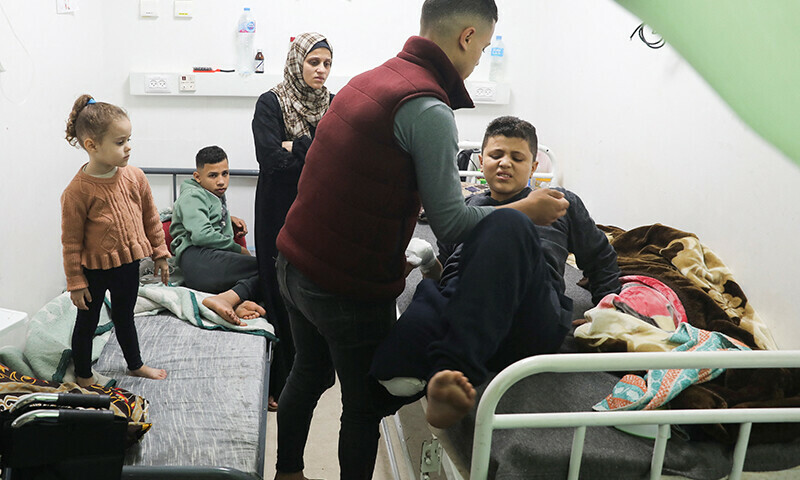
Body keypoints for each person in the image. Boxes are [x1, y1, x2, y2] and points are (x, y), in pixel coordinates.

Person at [272, 2, 569, 479]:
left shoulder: (369, 80)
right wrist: (525, 210)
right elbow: (451, 225)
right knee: (365, 406)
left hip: (295, 261)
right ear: (467, 37)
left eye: (519, 157)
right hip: (342, 285)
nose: (478, 61)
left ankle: (287, 472)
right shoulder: (428, 108)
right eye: (485, 47)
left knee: (307, 372)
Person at [370, 116, 622, 428]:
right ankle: (439, 381)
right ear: (480, 161)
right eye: (496, 155)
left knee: (507, 222)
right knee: (401, 344)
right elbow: (447, 270)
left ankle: (453, 364)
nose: (505, 164)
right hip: (467, 303)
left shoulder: (560, 201)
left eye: (517, 158)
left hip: (529, 315)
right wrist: (426, 264)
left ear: (533, 168)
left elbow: (601, 259)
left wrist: (607, 310)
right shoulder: (462, 211)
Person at [62, 94, 169, 388]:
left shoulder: (135, 177)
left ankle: (135, 365)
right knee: (86, 323)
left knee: (125, 317)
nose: (128, 147)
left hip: (127, 265)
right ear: (92, 146)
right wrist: (75, 282)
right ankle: (83, 375)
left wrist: (160, 253)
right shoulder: (77, 192)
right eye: (120, 142)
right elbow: (70, 243)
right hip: (93, 271)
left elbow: (151, 218)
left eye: (129, 139)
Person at [252, 32, 333, 413]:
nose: (320, 70)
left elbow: (336, 158)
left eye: (327, 63)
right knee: (278, 289)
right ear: (297, 62)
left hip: (320, 207)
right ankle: (279, 380)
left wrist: (294, 145)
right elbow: (271, 160)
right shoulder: (271, 102)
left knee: (314, 287)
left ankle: (311, 374)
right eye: (313, 62)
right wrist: (311, 145)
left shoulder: (335, 104)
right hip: (277, 208)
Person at [169, 145, 265, 326]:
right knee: (270, 269)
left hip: (209, 263)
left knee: (270, 271)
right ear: (197, 177)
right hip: (197, 260)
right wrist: (238, 249)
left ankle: (235, 300)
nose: (221, 181)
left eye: (225, 173)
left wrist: (229, 218)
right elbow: (201, 236)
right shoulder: (192, 196)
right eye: (213, 175)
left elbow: (208, 216)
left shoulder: (211, 194)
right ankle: (230, 299)